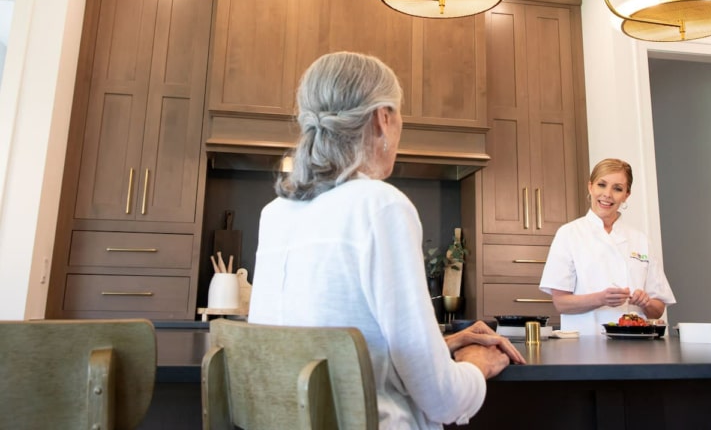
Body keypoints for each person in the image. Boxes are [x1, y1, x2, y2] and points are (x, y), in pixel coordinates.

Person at [248, 51, 524, 429]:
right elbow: (442, 400)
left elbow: (324, 360)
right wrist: (475, 367)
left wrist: (437, 348)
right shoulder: (380, 205)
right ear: (383, 118)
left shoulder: (275, 213)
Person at [539, 158, 675, 336]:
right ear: (590, 187)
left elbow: (658, 310)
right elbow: (561, 303)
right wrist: (601, 298)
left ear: (626, 194)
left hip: (635, 347)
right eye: (601, 185)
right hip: (584, 345)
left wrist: (646, 302)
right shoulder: (569, 234)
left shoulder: (640, 240)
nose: (607, 194)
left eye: (617, 188)